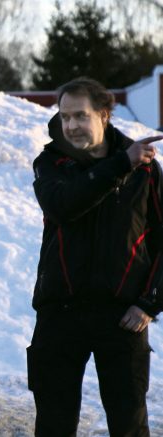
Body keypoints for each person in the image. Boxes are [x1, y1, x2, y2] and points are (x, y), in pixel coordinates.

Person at [27, 77, 163, 436]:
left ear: (104, 115)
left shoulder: (145, 169)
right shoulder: (50, 163)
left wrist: (149, 303)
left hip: (122, 316)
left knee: (129, 423)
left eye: (80, 116)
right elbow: (64, 206)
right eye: (65, 116)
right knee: (54, 422)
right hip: (60, 313)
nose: (70, 125)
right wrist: (120, 164)